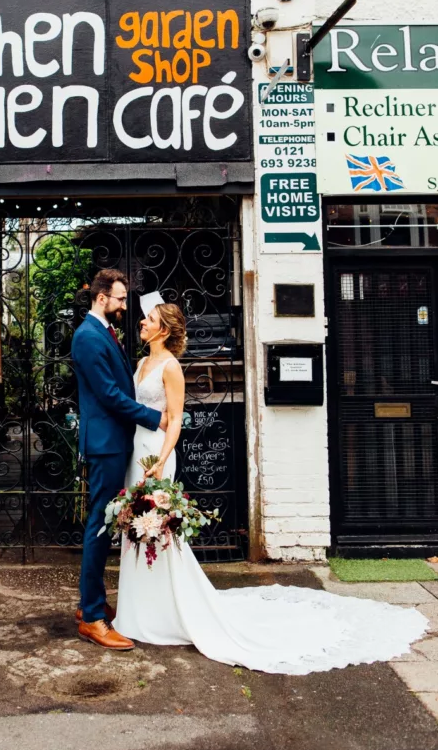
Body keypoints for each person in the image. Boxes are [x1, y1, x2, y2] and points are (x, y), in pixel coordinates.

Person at [113, 298, 429, 674]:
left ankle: (166, 610)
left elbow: (177, 419)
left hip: (157, 453)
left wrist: (163, 459)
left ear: (164, 329)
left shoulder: (171, 367)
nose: (142, 323)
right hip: (137, 449)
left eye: (149, 319)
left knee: (159, 528)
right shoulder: (141, 364)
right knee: (137, 526)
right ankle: (139, 608)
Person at [72, 269, 167, 651]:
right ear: (102, 298)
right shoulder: (88, 337)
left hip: (114, 441)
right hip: (106, 444)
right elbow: (110, 395)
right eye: (121, 298)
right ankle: (92, 618)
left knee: (103, 523)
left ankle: (89, 604)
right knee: (99, 525)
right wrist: (154, 418)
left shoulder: (104, 331)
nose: (125, 305)